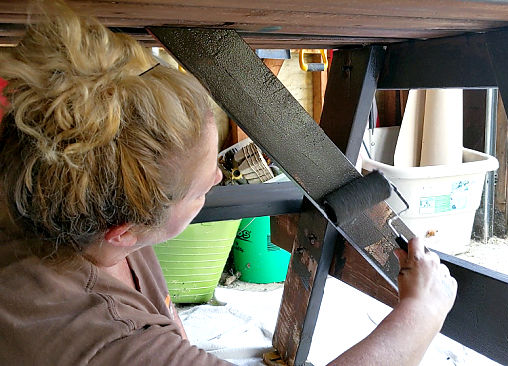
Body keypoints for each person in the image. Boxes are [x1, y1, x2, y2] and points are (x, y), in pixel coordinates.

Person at [0, 1, 457, 365]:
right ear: (122, 232)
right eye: (202, 190)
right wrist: (421, 314)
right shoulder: (106, 339)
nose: (219, 177)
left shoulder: (52, 188)